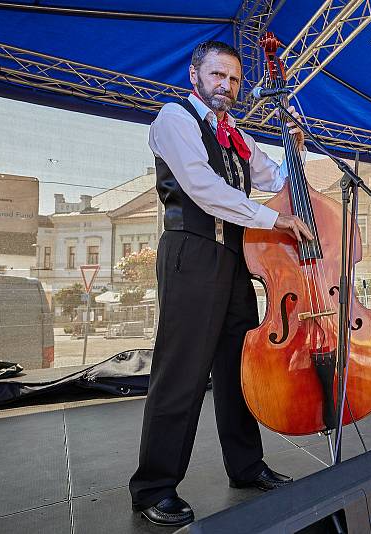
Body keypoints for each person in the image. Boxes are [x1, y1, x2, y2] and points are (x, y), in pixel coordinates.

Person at [129, 40, 313, 527]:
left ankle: (246, 466)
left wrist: (294, 148)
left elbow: (274, 178)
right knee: (181, 372)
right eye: (217, 76)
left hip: (234, 259)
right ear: (195, 76)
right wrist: (272, 223)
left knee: (239, 369)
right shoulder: (175, 119)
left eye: (233, 79)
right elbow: (203, 188)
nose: (225, 86)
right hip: (191, 251)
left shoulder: (236, 135)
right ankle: (154, 485)